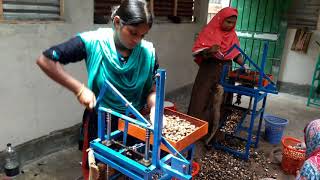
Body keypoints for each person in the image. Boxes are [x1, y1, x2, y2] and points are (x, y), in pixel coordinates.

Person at [36, 0, 158, 178]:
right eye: (133, 33)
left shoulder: (147, 53)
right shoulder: (94, 43)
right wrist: (79, 89)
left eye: (143, 35)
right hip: (101, 122)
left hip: (134, 124)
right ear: (117, 22)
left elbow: (152, 90)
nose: (137, 40)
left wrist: (155, 108)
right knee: (99, 170)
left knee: (132, 168)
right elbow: (45, 60)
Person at [187, 7, 246, 147]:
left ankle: (216, 133)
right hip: (209, 70)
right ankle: (197, 131)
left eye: (233, 23)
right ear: (220, 19)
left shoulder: (232, 35)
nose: (230, 25)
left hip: (225, 71)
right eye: (228, 22)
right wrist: (209, 50)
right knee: (202, 98)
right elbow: (198, 53)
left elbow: (236, 53)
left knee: (221, 101)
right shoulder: (209, 31)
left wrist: (240, 59)